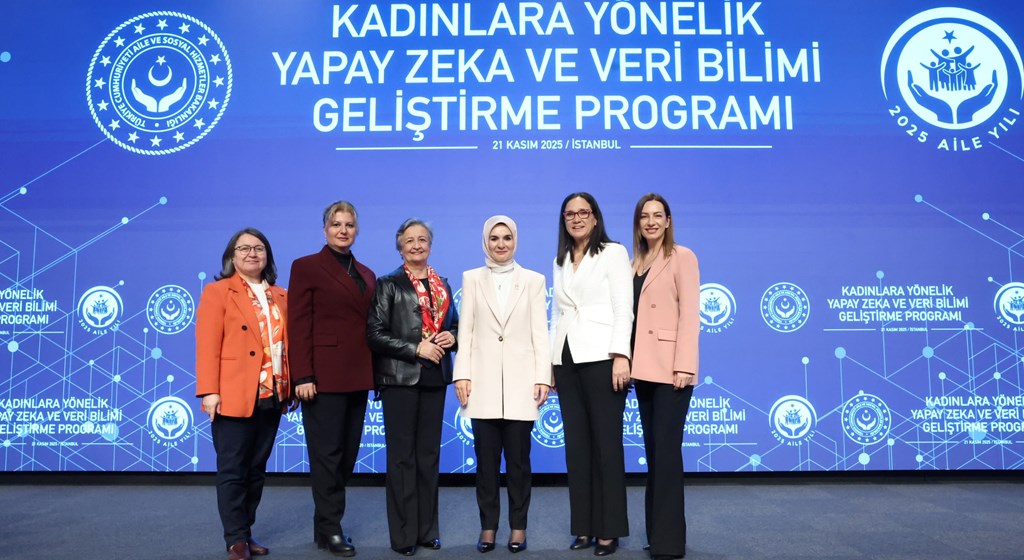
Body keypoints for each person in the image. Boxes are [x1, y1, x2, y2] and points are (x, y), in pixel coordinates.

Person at [453, 215, 552, 555]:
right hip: (481, 385)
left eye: (506, 237)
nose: (500, 244)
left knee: (519, 464)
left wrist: (543, 376)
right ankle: (488, 526)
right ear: (486, 241)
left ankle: (518, 527)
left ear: (515, 241)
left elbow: (540, 333)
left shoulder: (534, 280)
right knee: (486, 464)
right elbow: (465, 331)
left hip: (522, 385)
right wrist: (462, 374)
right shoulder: (472, 278)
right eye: (494, 238)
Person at [196, 228, 292, 560]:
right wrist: (210, 391)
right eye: (244, 248)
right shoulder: (218, 292)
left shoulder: (281, 295)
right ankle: (235, 538)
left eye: (259, 248)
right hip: (233, 392)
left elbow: (286, 345)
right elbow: (207, 344)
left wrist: (290, 384)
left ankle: (246, 532)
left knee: (256, 469)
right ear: (232, 256)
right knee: (233, 469)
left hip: (272, 394)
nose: (252, 253)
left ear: (268, 256)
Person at [288, 201, 376, 557]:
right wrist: (303, 374)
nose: (343, 230)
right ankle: (332, 527)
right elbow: (298, 324)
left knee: (347, 456)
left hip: (359, 374)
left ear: (357, 230)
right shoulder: (306, 266)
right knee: (327, 456)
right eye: (336, 224)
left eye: (349, 225)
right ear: (324, 229)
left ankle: (323, 524)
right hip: (322, 377)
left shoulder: (366, 273)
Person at [367, 218, 459, 557]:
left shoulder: (443, 284)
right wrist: (415, 348)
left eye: (422, 239)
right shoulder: (388, 283)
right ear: (400, 247)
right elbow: (375, 334)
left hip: (435, 378)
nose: (416, 245)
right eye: (410, 240)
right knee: (402, 458)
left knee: (429, 457)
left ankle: (427, 531)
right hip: (399, 380)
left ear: (430, 245)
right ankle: (404, 534)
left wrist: (453, 337)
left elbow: (457, 325)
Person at [549, 193, 633, 557]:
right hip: (567, 361)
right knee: (577, 448)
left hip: (603, 358)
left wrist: (621, 355)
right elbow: (558, 314)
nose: (577, 218)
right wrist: (551, 363)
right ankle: (583, 527)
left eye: (583, 212)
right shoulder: (561, 259)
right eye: (570, 214)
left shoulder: (613, 253)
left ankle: (609, 530)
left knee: (606, 448)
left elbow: (623, 307)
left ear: (596, 217)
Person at [629, 194, 700, 560]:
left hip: (672, 370)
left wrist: (684, 365)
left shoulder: (682, 256)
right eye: (645, 216)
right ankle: (656, 534)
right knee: (654, 453)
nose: (651, 221)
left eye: (658, 215)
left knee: (668, 454)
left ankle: (670, 543)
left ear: (669, 221)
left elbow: (690, 314)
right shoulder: (634, 263)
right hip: (643, 369)